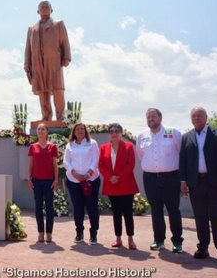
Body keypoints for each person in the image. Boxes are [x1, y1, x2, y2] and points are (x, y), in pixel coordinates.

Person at [179, 107, 217, 262]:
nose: (196, 118)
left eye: (199, 115)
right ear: (191, 119)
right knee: (200, 217)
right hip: (196, 183)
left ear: (206, 117)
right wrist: (183, 180)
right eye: (194, 116)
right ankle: (203, 248)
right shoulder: (186, 137)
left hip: (215, 182)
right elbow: (182, 161)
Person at [135, 108, 183, 253]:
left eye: (153, 116)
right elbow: (141, 155)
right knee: (156, 210)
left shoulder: (173, 132)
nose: (151, 119)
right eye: (148, 117)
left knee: (173, 210)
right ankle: (159, 240)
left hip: (171, 177)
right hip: (150, 178)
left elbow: (182, 153)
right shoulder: (141, 136)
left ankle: (177, 242)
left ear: (160, 117)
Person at [24, 0, 71, 122]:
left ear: (51, 10)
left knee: (58, 89)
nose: (44, 8)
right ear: (38, 11)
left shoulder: (58, 24)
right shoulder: (32, 29)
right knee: (42, 90)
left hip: (54, 63)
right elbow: (27, 48)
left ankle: (60, 117)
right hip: (38, 64)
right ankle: (46, 117)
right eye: (42, 7)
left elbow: (64, 41)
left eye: (47, 6)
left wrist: (67, 57)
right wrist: (27, 63)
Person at [98, 122, 138, 250]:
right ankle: (118, 238)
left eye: (117, 131)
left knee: (127, 213)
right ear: (109, 134)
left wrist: (118, 177)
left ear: (121, 133)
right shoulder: (103, 148)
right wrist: (110, 177)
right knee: (116, 213)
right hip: (111, 185)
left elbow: (130, 164)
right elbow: (101, 165)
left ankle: (131, 239)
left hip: (126, 184)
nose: (114, 133)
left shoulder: (128, 146)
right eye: (112, 131)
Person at [63, 122, 100, 243]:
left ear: (85, 131)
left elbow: (96, 159)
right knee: (78, 208)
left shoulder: (92, 143)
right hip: (74, 181)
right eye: (77, 129)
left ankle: (93, 233)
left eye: (82, 129)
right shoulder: (70, 145)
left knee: (92, 207)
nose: (80, 131)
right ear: (74, 132)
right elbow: (66, 161)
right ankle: (79, 232)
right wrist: (74, 173)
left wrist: (89, 173)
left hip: (91, 180)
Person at [27, 124, 59, 243]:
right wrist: (29, 179)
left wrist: (56, 180)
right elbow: (30, 165)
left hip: (49, 181)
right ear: (37, 132)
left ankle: (49, 233)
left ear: (47, 132)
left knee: (50, 207)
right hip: (36, 180)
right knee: (38, 207)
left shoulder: (53, 147)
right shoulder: (32, 147)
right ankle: (41, 233)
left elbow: (55, 165)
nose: (40, 131)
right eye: (39, 129)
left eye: (43, 129)